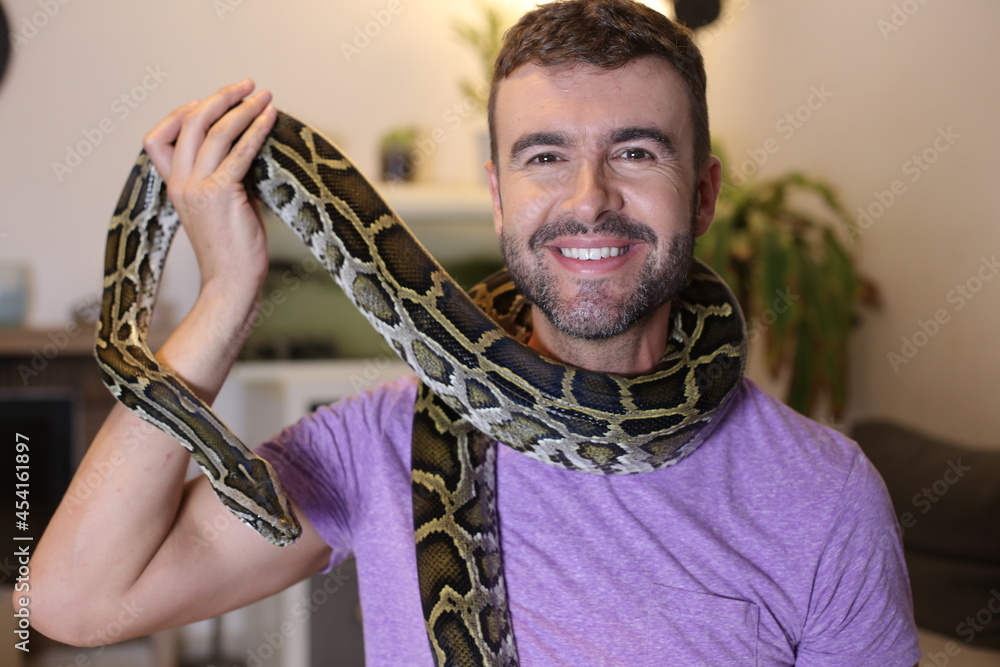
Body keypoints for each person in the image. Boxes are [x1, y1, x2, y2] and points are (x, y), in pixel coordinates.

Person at [26, 0, 920, 664]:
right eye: (546, 156)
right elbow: (71, 602)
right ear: (498, 196)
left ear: (704, 192)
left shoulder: (826, 500)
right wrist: (225, 295)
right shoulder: (375, 442)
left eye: (637, 151)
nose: (589, 200)